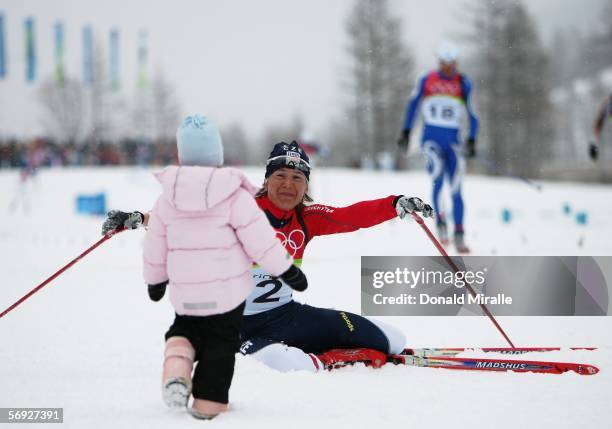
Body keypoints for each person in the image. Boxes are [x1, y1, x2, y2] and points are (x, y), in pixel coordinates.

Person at [103, 140, 433, 373]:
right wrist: (137, 219)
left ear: (306, 185)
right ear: (266, 180)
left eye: (297, 178)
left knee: (393, 339)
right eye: (281, 176)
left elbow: (350, 216)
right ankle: (326, 360)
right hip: (240, 329)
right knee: (291, 366)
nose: (288, 185)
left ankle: (333, 352)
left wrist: (395, 204)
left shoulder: (308, 218)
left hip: (288, 317)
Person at [140, 115, 308, 419]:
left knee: (184, 332)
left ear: (182, 155)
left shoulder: (167, 199)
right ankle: (209, 404)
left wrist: (155, 280)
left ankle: (177, 368)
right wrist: (285, 270)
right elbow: (261, 241)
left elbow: (154, 244)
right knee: (220, 345)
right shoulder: (235, 196)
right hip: (227, 296)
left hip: (185, 293)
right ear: (217, 155)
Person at [398, 41, 479, 253]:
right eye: (444, 63)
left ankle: (459, 233)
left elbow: (473, 114)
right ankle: (441, 225)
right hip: (431, 142)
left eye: (452, 63)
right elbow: (413, 105)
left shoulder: (463, 83)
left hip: (454, 143)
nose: (448, 67)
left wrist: (472, 139)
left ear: (456, 62)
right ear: (439, 61)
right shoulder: (427, 79)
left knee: (456, 187)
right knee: (437, 178)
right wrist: (406, 132)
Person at [589, 93, 612, 161]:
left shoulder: (607, 104)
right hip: (602, 126)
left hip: (602, 125)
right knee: (595, 140)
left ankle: (595, 155)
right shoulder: (608, 104)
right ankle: (594, 155)